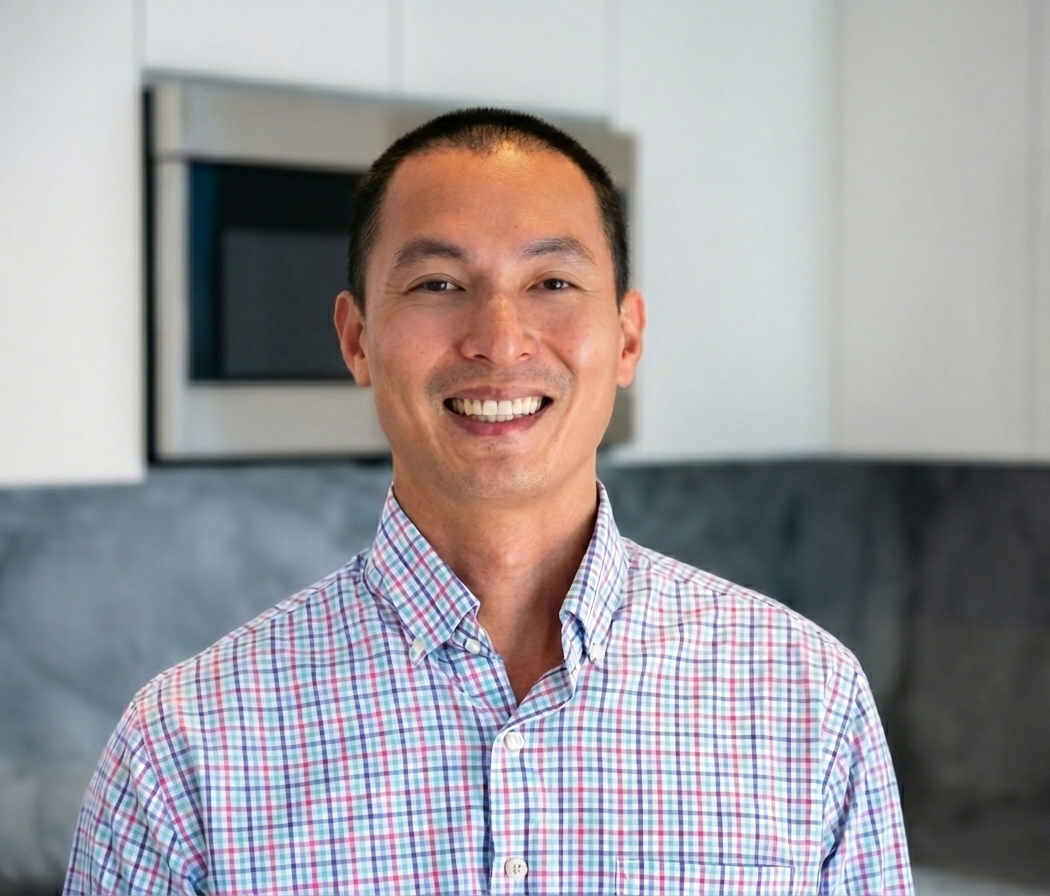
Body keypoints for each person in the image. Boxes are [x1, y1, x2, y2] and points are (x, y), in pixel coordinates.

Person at [64, 108, 913, 895]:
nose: (500, 340)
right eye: (438, 284)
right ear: (358, 339)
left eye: (552, 282)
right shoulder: (183, 748)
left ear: (627, 337)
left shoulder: (807, 698)